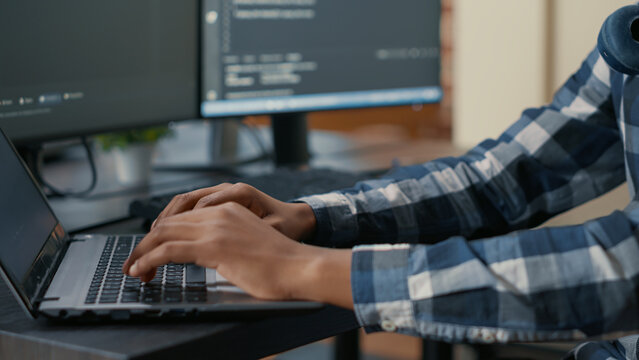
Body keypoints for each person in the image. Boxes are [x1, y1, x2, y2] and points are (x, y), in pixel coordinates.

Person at [123, 16, 639, 359]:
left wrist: (298, 267)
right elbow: (502, 179)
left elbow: (624, 268)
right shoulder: (629, 37)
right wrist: (312, 215)